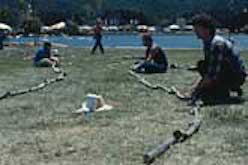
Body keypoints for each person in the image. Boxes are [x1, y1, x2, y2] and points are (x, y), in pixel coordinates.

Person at [191, 14, 246, 103]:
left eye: (197, 28)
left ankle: (224, 89)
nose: (195, 31)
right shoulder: (208, 42)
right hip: (227, 72)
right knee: (202, 65)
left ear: (207, 29)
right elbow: (209, 68)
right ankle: (220, 89)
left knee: (207, 89)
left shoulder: (216, 44)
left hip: (235, 76)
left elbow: (212, 73)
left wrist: (196, 90)